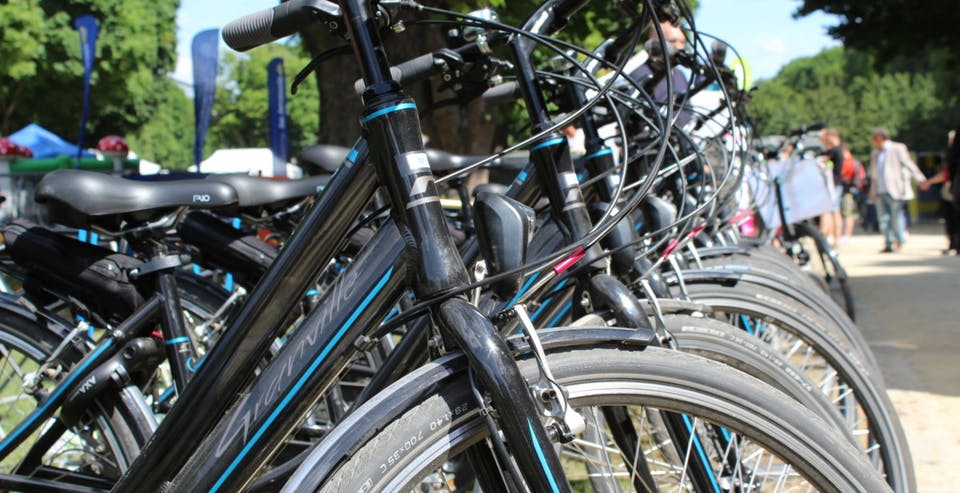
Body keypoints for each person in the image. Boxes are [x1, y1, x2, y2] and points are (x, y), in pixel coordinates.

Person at [868, 127, 927, 252]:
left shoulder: (897, 148)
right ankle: (888, 242)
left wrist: (920, 179)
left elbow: (909, 164)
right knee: (883, 219)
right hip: (880, 189)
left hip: (894, 188)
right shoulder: (875, 153)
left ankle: (900, 240)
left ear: (880, 138)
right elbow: (874, 173)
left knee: (896, 217)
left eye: (874, 139)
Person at [920, 129, 959, 254]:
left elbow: (946, 174)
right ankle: (954, 244)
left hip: (953, 189)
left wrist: (929, 182)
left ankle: (955, 244)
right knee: (951, 218)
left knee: (953, 218)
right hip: (951, 189)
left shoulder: (953, 156)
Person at [818, 128, 844, 247]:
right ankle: (835, 237)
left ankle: (831, 236)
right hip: (834, 184)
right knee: (834, 211)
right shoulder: (837, 150)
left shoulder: (834, 151)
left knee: (830, 211)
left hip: (832, 185)